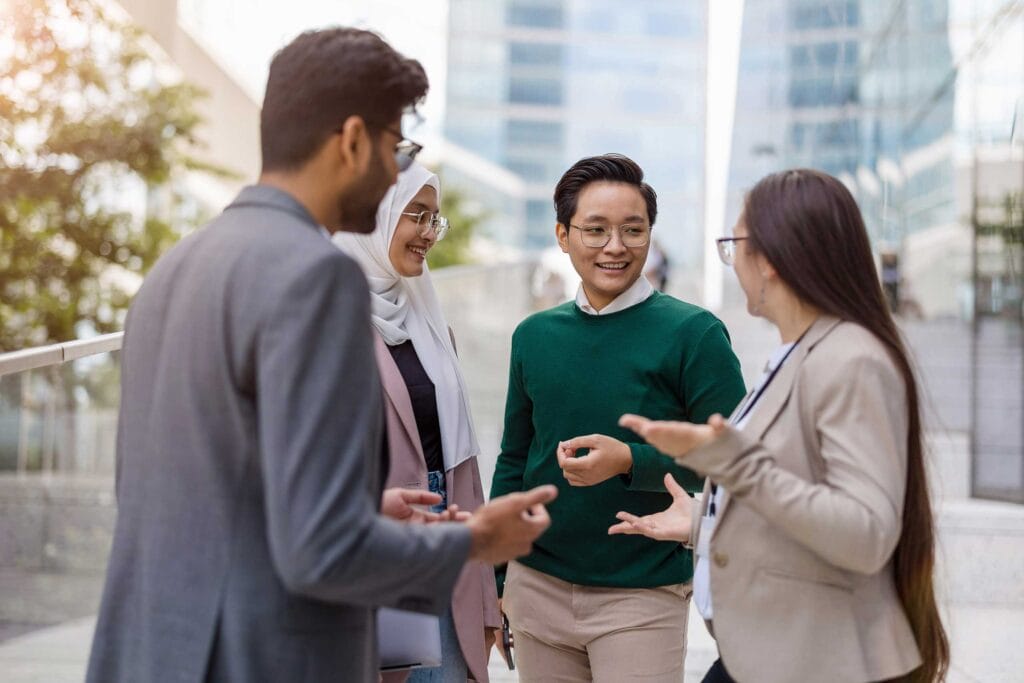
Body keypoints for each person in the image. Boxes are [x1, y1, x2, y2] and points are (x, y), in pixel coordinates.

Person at [85, 28, 556, 683]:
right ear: (354, 140)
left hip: (151, 653)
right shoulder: (318, 276)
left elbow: (195, 493)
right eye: (396, 147)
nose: (396, 169)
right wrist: (477, 540)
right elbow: (321, 551)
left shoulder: (172, 269)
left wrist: (364, 507)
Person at [611, 169, 949, 683]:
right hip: (775, 653)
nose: (733, 262)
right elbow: (796, 487)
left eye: (734, 244)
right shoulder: (798, 352)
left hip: (817, 658)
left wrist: (732, 463)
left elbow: (866, 533)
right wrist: (706, 518)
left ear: (768, 258)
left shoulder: (850, 359)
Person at [491, 154, 746, 682]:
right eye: (596, 230)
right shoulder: (533, 336)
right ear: (563, 236)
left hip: (642, 595)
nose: (616, 246)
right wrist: (494, 579)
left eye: (633, 230)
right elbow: (515, 459)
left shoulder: (694, 334)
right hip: (536, 586)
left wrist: (632, 460)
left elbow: (739, 463)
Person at [335, 163, 501, 683]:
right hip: (373, 546)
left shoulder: (429, 322)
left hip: (447, 543)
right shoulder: (327, 320)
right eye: (417, 215)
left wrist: (487, 598)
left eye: (436, 218)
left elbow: (463, 461)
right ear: (375, 218)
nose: (430, 232)